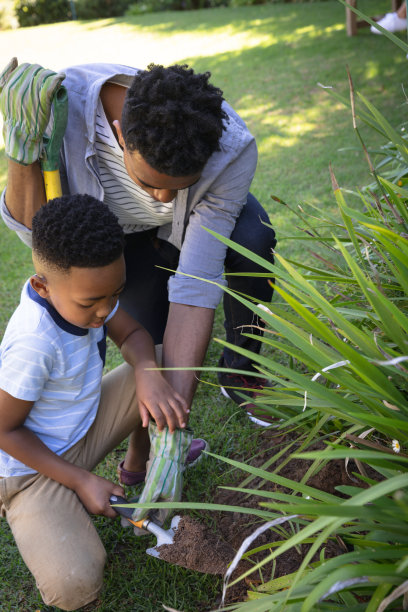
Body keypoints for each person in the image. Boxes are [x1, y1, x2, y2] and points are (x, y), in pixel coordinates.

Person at [0, 60, 277, 468]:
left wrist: (177, 411)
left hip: (190, 226)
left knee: (254, 239)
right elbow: (40, 236)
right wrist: (22, 155)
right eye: (150, 182)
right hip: (115, 235)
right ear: (120, 136)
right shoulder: (60, 118)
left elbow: (196, 281)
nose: (163, 199)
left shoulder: (230, 149)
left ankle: (240, 368)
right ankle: (139, 455)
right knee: (148, 328)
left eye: (178, 186)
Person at [0, 194, 204, 610]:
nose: (106, 310)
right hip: (31, 470)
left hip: (84, 426)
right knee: (75, 582)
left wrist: (146, 372)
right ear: (42, 286)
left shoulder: (91, 292)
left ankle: (136, 472)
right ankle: (54, 509)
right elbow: (4, 429)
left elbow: (133, 336)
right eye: (91, 303)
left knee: (167, 364)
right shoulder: (34, 342)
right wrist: (81, 481)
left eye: (116, 294)